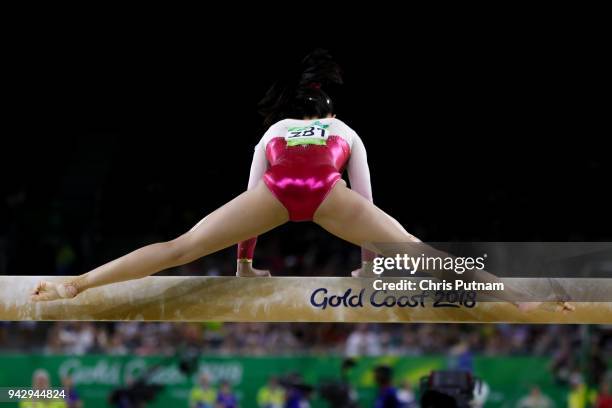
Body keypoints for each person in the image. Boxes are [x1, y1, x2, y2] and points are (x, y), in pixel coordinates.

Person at [28, 49, 573, 315]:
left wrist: (244, 265)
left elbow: (249, 194)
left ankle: (74, 284)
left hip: (274, 194)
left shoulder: (274, 131)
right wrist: (367, 263)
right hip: (330, 196)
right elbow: (365, 198)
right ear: (329, 109)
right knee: (413, 249)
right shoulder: (347, 131)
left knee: (181, 247)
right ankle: (521, 299)